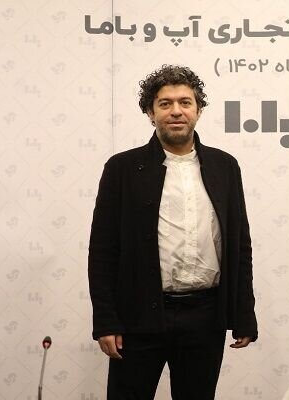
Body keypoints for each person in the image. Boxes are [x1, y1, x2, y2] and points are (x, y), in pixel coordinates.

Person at [88, 65, 257, 399]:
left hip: (205, 316)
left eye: (185, 102)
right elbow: (103, 250)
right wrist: (106, 320)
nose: (176, 111)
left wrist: (244, 315)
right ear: (150, 113)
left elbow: (240, 246)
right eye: (165, 104)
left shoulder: (225, 166)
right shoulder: (122, 168)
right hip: (138, 316)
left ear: (198, 110)